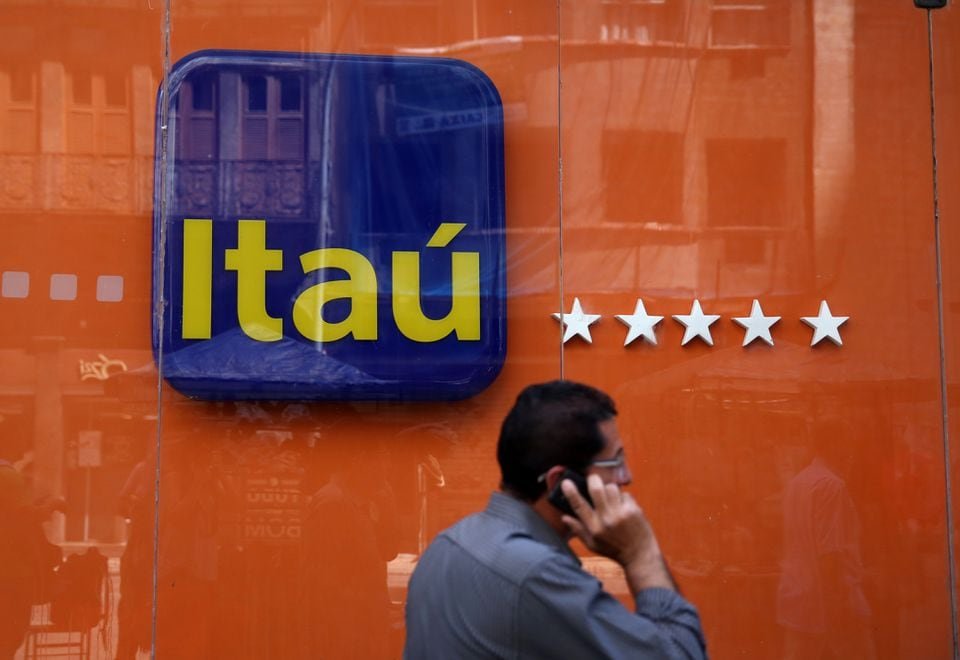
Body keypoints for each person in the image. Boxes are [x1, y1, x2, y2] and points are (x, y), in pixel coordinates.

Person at [404, 380, 706, 659]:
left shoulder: (449, 543)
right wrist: (641, 555)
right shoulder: (533, 574)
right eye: (615, 461)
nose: (627, 477)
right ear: (561, 482)